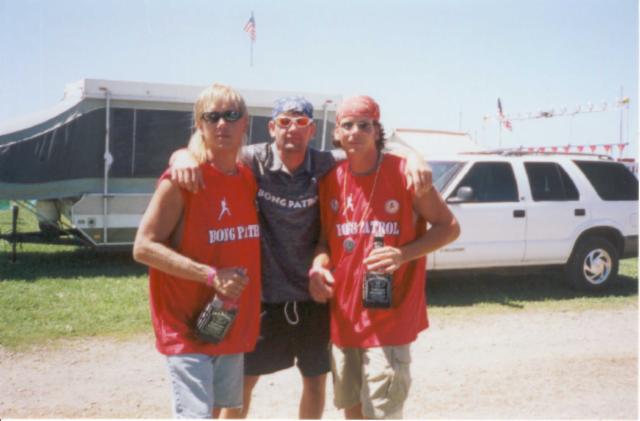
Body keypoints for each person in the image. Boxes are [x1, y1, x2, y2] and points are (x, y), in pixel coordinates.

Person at [169, 96, 432, 419]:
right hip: (265, 297)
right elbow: (209, 150)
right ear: (272, 127)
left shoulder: (326, 162)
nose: (292, 129)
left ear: (312, 130)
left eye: (301, 122)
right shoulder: (253, 159)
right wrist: (181, 155)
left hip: (314, 298)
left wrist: (414, 156)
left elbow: (370, 147)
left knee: (315, 384)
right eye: (284, 122)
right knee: (242, 386)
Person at [308, 96, 460, 419]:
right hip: (344, 320)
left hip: (389, 321)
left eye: (364, 125)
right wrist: (318, 267)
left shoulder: (405, 173)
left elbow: (449, 227)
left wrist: (403, 254)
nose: (355, 132)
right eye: (347, 125)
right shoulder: (330, 179)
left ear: (377, 131)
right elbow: (324, 242)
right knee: (352, 411)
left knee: (381, 414)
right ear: (337, 132)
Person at [133, 83, 261, 419]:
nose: (222, 123)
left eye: (231, 115)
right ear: (199, 124)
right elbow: (143, 247)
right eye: (212, 116)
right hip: (184, 325)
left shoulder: (247, 178)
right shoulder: (182, 180)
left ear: (245, 122)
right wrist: (210, 275)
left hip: (225, 322)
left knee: (217, 410)